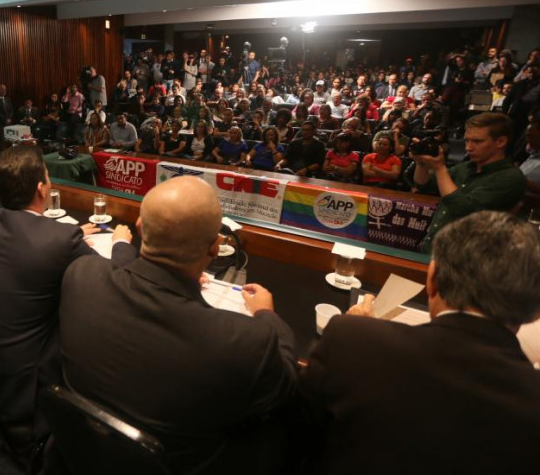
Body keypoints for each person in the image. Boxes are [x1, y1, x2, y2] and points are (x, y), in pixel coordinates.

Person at [60, 176, 297, 473]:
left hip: (84, 456)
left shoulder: (80, 274)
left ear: (140, 228)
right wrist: (267, 316)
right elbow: (286, 384)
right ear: (214, 247)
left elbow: (124, 276)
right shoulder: (244, 341)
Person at [297, 211, 540, 475]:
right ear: (536, 311)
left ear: (432, 279)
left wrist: (362, 327)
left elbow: (298, 434)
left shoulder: (352, 338)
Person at [0, 146, 136, 449]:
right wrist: (121, 243)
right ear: (42, 189)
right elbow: (117, 280)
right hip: (25, 388)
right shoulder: (59, 239)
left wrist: (63, 235)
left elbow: (27, 242)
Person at [414, 113, 525, 252]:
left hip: (468, 259)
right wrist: (421, 162)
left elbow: (463, 209)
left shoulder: (510, 177)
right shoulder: (466, 167)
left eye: (477, 141)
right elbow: (423, 184)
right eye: (467, 141)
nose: (468, 147)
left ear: (500, 142)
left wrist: (440, 168)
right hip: (435, 248)